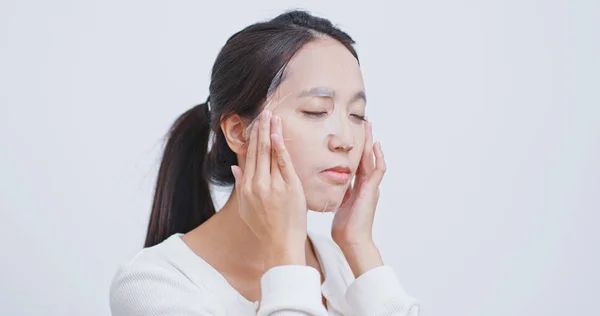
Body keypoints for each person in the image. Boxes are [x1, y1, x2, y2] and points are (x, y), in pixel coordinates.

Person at [109, 9, 419, 316]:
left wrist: (359, 245)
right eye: (316, 110)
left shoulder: (342, 265)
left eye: (356, 115)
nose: (346, 140)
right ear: (238, 132)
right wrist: (285, 256)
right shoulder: (155, 285)